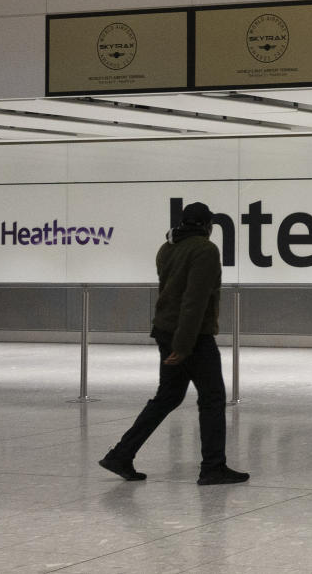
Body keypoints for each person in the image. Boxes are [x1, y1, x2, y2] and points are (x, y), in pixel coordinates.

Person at [99, 201, 249, 485]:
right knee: (213, 397)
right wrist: (183, 345)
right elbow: (194, 300)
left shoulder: (167, 248)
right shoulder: (205, 250)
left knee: (168, 396)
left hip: (165, 329)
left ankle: (121, 454)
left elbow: (173, 292)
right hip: (192, 336)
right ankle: (213, 467)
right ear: (208, 226)